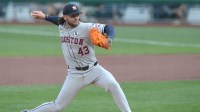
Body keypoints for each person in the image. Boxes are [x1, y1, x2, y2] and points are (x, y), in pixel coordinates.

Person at [21, 4, 132, 112]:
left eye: (77, 15)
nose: (76, 18)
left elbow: (109, 27)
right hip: (74, 74)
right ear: (65, 17)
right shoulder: (62, 25)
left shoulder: (87, 27)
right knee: (58, 106)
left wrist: (109, 37)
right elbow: (57, 20)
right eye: (73, 15)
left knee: (113, 85)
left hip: (94, 70)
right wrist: (45, 16)